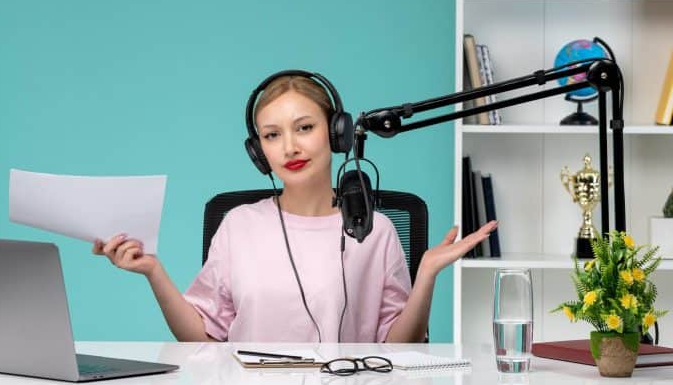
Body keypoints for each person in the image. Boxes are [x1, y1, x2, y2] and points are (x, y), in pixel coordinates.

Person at [93, 71, 497, 342]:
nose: (290, 147)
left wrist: (425, 273)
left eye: (304, 127)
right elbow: (201, 340)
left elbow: (399, 347)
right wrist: (153, 272)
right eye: (272, 135)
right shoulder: (238, 225)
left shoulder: (373, 229)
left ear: (336, 134)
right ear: (258, 152)